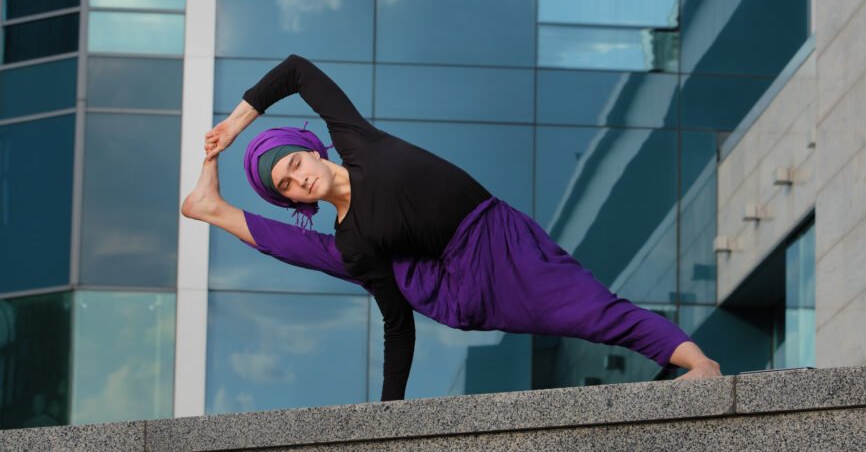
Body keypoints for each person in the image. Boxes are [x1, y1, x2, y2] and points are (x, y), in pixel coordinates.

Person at [184, 54, 721, 401]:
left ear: (310, 151)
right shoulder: (355, 238)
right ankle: (214, 209)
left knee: (591, 309)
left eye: (295, 165)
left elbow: (298, 71)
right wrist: (390, 410)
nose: (299, 180)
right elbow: (397, 323)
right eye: (285, 186)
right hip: (454, 290)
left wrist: (232, 127)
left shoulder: (358, 140)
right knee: (347, 257)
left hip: (499, 239)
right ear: (288, 198)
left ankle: (699, 363)